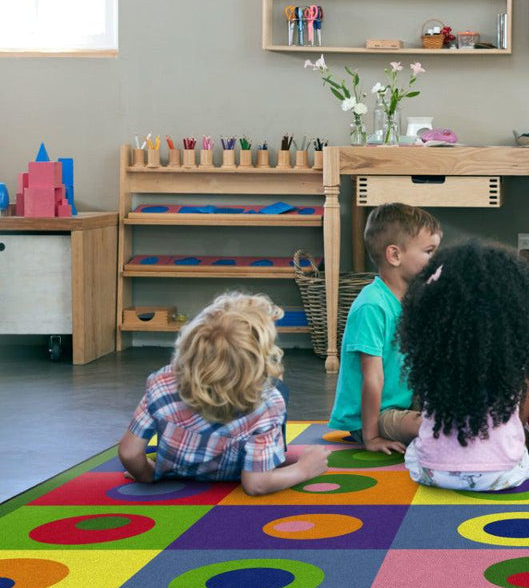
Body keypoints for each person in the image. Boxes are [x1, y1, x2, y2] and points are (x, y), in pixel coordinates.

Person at [117, 292, 331, 496]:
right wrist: (304, 468)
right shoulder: (268, 403)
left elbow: (129, 453)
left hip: (177, 471)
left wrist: (147, 474)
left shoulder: (162, 382)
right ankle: (270, 454)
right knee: (279, 389)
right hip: (234, 476)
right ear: (256, 360)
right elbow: (256, 484)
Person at [400, 240, 529, 492]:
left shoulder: (433, 358)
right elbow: (520, 415)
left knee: (415, 450)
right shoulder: (509, 361)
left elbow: (424, 406)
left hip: (434, 473)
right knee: (520, 438)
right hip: (502, 475)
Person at [329, 203, 441, 453]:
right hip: (373, 416)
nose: (436, 260)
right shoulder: (371, 306)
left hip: (404, 404)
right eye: (429, 252)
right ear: (394, 255)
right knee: (434, 427)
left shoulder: (414, 299)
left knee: (456, 415)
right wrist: (371, 438)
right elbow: (372, 378)